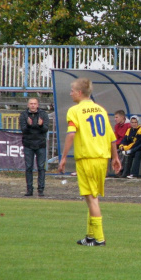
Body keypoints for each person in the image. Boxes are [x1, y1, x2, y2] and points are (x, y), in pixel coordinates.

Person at [58, 77, 121, 246]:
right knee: (92, 198)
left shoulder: (75, 110)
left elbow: (71, 133)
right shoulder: (100, 109)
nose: (70, 93)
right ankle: (90, 237)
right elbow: (112, 137)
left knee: (91, 198)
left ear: (79, 93)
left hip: (87, 158)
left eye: (72, 91)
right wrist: (115, 157)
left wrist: (63, 157)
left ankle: (99, 239)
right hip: (102, 158)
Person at [19, 98, 49, 197]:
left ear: (37, 105)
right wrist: (29, 125)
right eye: (31, 104)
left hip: (40, 144)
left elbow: (45, 129)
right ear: (28, 105)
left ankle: (41, 189)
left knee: (41, 168)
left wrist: (40, 126)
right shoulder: (23, 115)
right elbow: (23, 130)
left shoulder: (43, 114)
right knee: (29, 167)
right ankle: (29, 189)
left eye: (34, 104)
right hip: (28, 144)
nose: (32, 105)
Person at [113, 110, 131, 177]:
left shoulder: (129, 125)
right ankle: (116, 169)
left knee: (121, 151)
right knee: (112, 150)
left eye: (116, 117)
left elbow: (126, 138)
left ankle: (120, 169)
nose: (115, 119)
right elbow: (115, 137)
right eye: (115, 117)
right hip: (118, 143)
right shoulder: (117, 126)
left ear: (122, 117)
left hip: (126, 144)